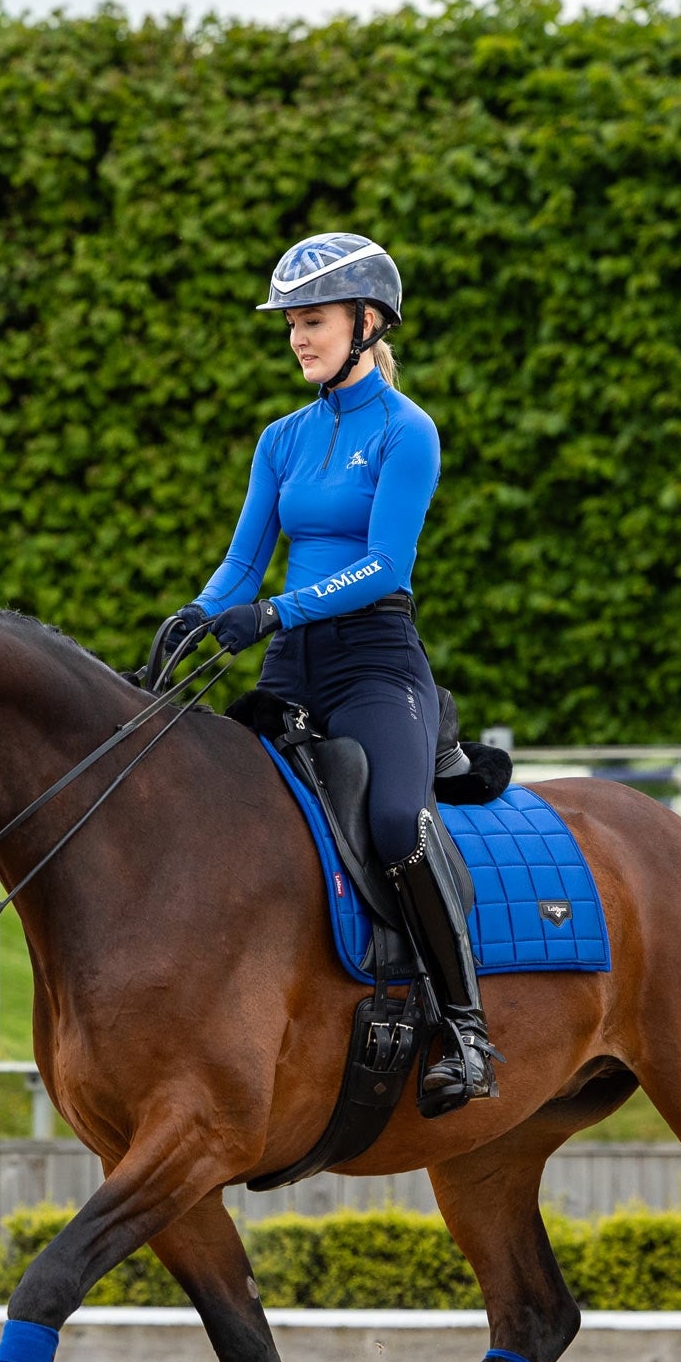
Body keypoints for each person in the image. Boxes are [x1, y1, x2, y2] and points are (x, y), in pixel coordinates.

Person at [154, 231, 497, 1114]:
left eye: (314, 321)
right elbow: (243, 561)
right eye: (292, 325)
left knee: (393, 821)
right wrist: (198, 613)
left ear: (367, 321)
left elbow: (384, 566)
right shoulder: (282, 439)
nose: (299, 338)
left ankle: (466, 1027)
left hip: (377, 663)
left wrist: (270, 611)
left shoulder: (406, 430)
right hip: (292, 664)